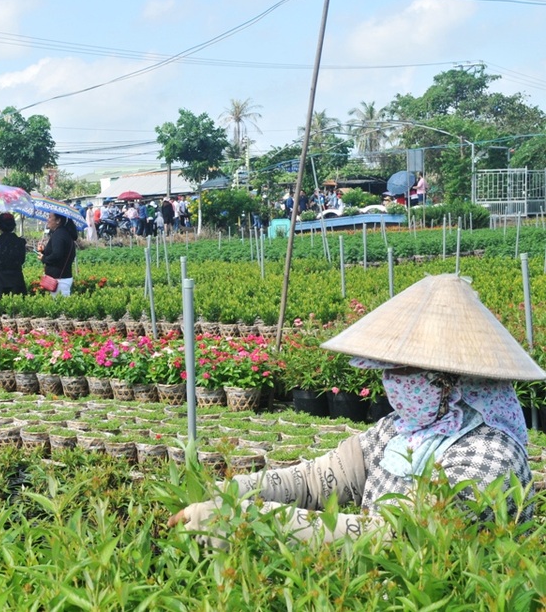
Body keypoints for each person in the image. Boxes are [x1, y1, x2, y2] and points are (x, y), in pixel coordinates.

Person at [168, 273, 539, 545]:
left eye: (402, 371)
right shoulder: (401, 430)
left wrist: (244, 518)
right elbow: (318, 479)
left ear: (449, 381)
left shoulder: (491, 456)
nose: (390, 380)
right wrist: (231, 491)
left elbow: (399, 536)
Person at [38, 213, 77, 297]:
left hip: (59, 280)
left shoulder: (59, 234)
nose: (48, 220)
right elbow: (61, 252)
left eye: (50, 217)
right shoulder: (64, 233)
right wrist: (44, 251)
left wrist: (44, 258)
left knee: (59, 304)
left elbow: (57, 255)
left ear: (58, 221)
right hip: (63, 278)